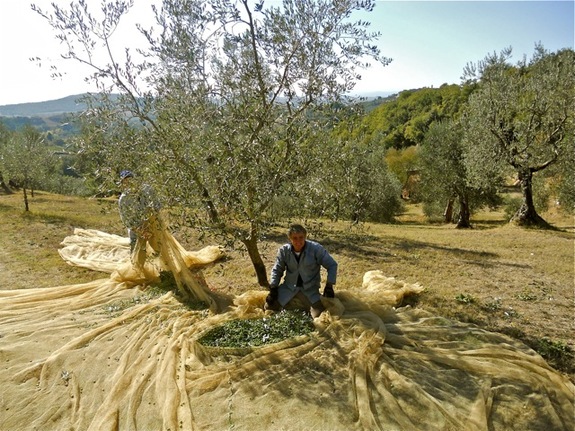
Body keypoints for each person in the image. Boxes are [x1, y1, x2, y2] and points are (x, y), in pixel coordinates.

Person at [266, 224, 337, 318]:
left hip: (310, 290)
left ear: (305, 237)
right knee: (268, 308)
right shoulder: (284, 251)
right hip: (289, 288)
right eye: (295, 238)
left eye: (301, 237)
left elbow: (332, 265)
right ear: (290, 239)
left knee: (318, 316)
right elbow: (277, 269)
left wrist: (329, 285)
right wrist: (273, 288)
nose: (298, 241)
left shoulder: (316, 249)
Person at [118, 170, 162, 263]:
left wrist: (152, 220)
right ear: (123, 183)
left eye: (130, 179)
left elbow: (157, 205)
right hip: (136, 228)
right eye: (125, 181)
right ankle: (138, 270)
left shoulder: (147, 189)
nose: (129, 183)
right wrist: (140, 230)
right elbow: (126, 220)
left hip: (152, 223)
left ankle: (164, 268)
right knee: (136, 251)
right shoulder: (124, 199)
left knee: (160, 247)